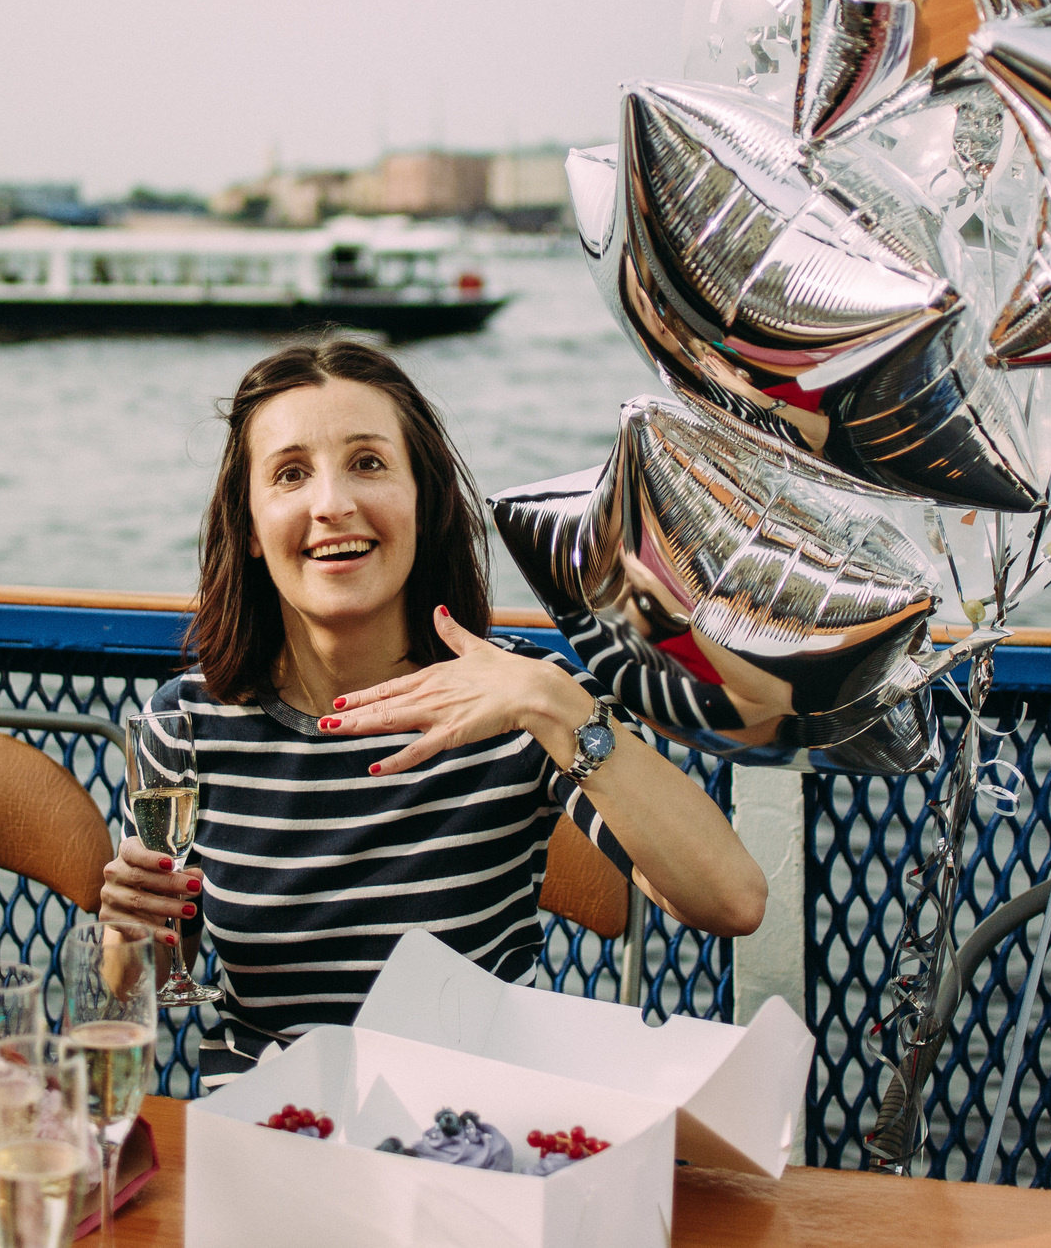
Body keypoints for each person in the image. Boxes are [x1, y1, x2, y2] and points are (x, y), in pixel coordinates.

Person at [100, 338, 766, 1078]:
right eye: (291, 474)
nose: (333, 503)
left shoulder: (518, 695)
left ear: (425, 498)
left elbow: (732, 900)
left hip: (466, 1143)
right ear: (251, 528)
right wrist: (129, 934)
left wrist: (553, 700)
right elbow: (152, 981)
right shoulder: (185, 722)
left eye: (369, 462)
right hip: (266, 1144)